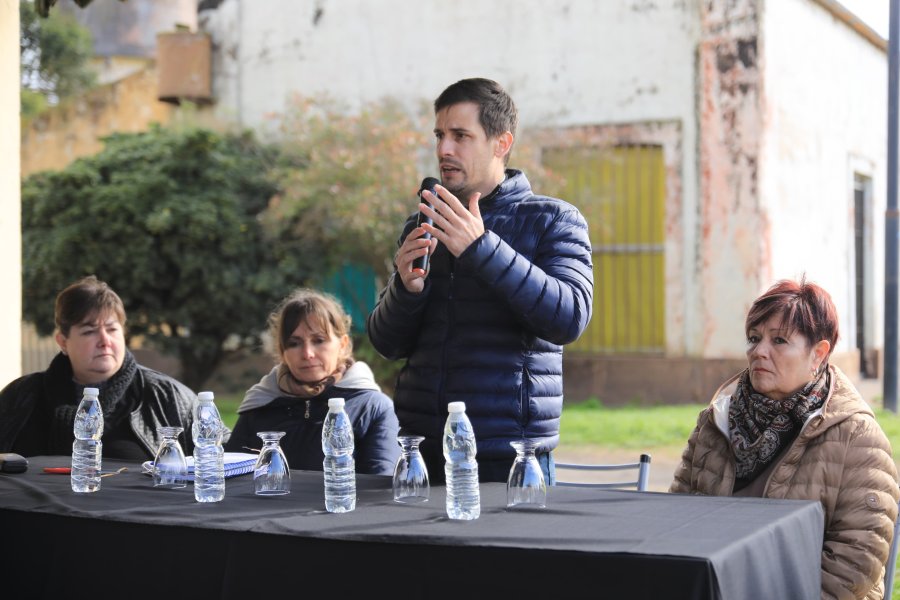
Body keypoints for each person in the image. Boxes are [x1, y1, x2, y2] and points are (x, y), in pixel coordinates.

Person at [366, 77, 594, 483]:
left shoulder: (554, 219)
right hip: (424, 455)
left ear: (501, 143)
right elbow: (387, 344)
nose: (444, 149)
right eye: (439, 135)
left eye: (460, 136)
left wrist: (482, 249)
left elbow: (569, 317)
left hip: (510, 459)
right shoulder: (421, 225)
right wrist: (406, 290)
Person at [670, 277, 900, 600]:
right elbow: (674, 521)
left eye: (779, 340)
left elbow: (854, 566)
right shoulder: (717, 420)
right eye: (754, 339)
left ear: (818, 354)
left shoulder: (857, 437)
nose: (759, 351)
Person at [0, 275, 200, 459]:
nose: (105, 341)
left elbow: (212, 465)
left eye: (112, 329)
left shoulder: (169, 398)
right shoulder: (19, 397)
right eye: (89, 331)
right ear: (63, 342)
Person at [225, 288, 400, 475]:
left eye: (319, 340)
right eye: (294, 343)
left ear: (342, 345)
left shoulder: (373, 408)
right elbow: (231, 480)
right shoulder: (260, 405)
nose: (307, 353)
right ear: (282, 351)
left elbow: (380, 485)